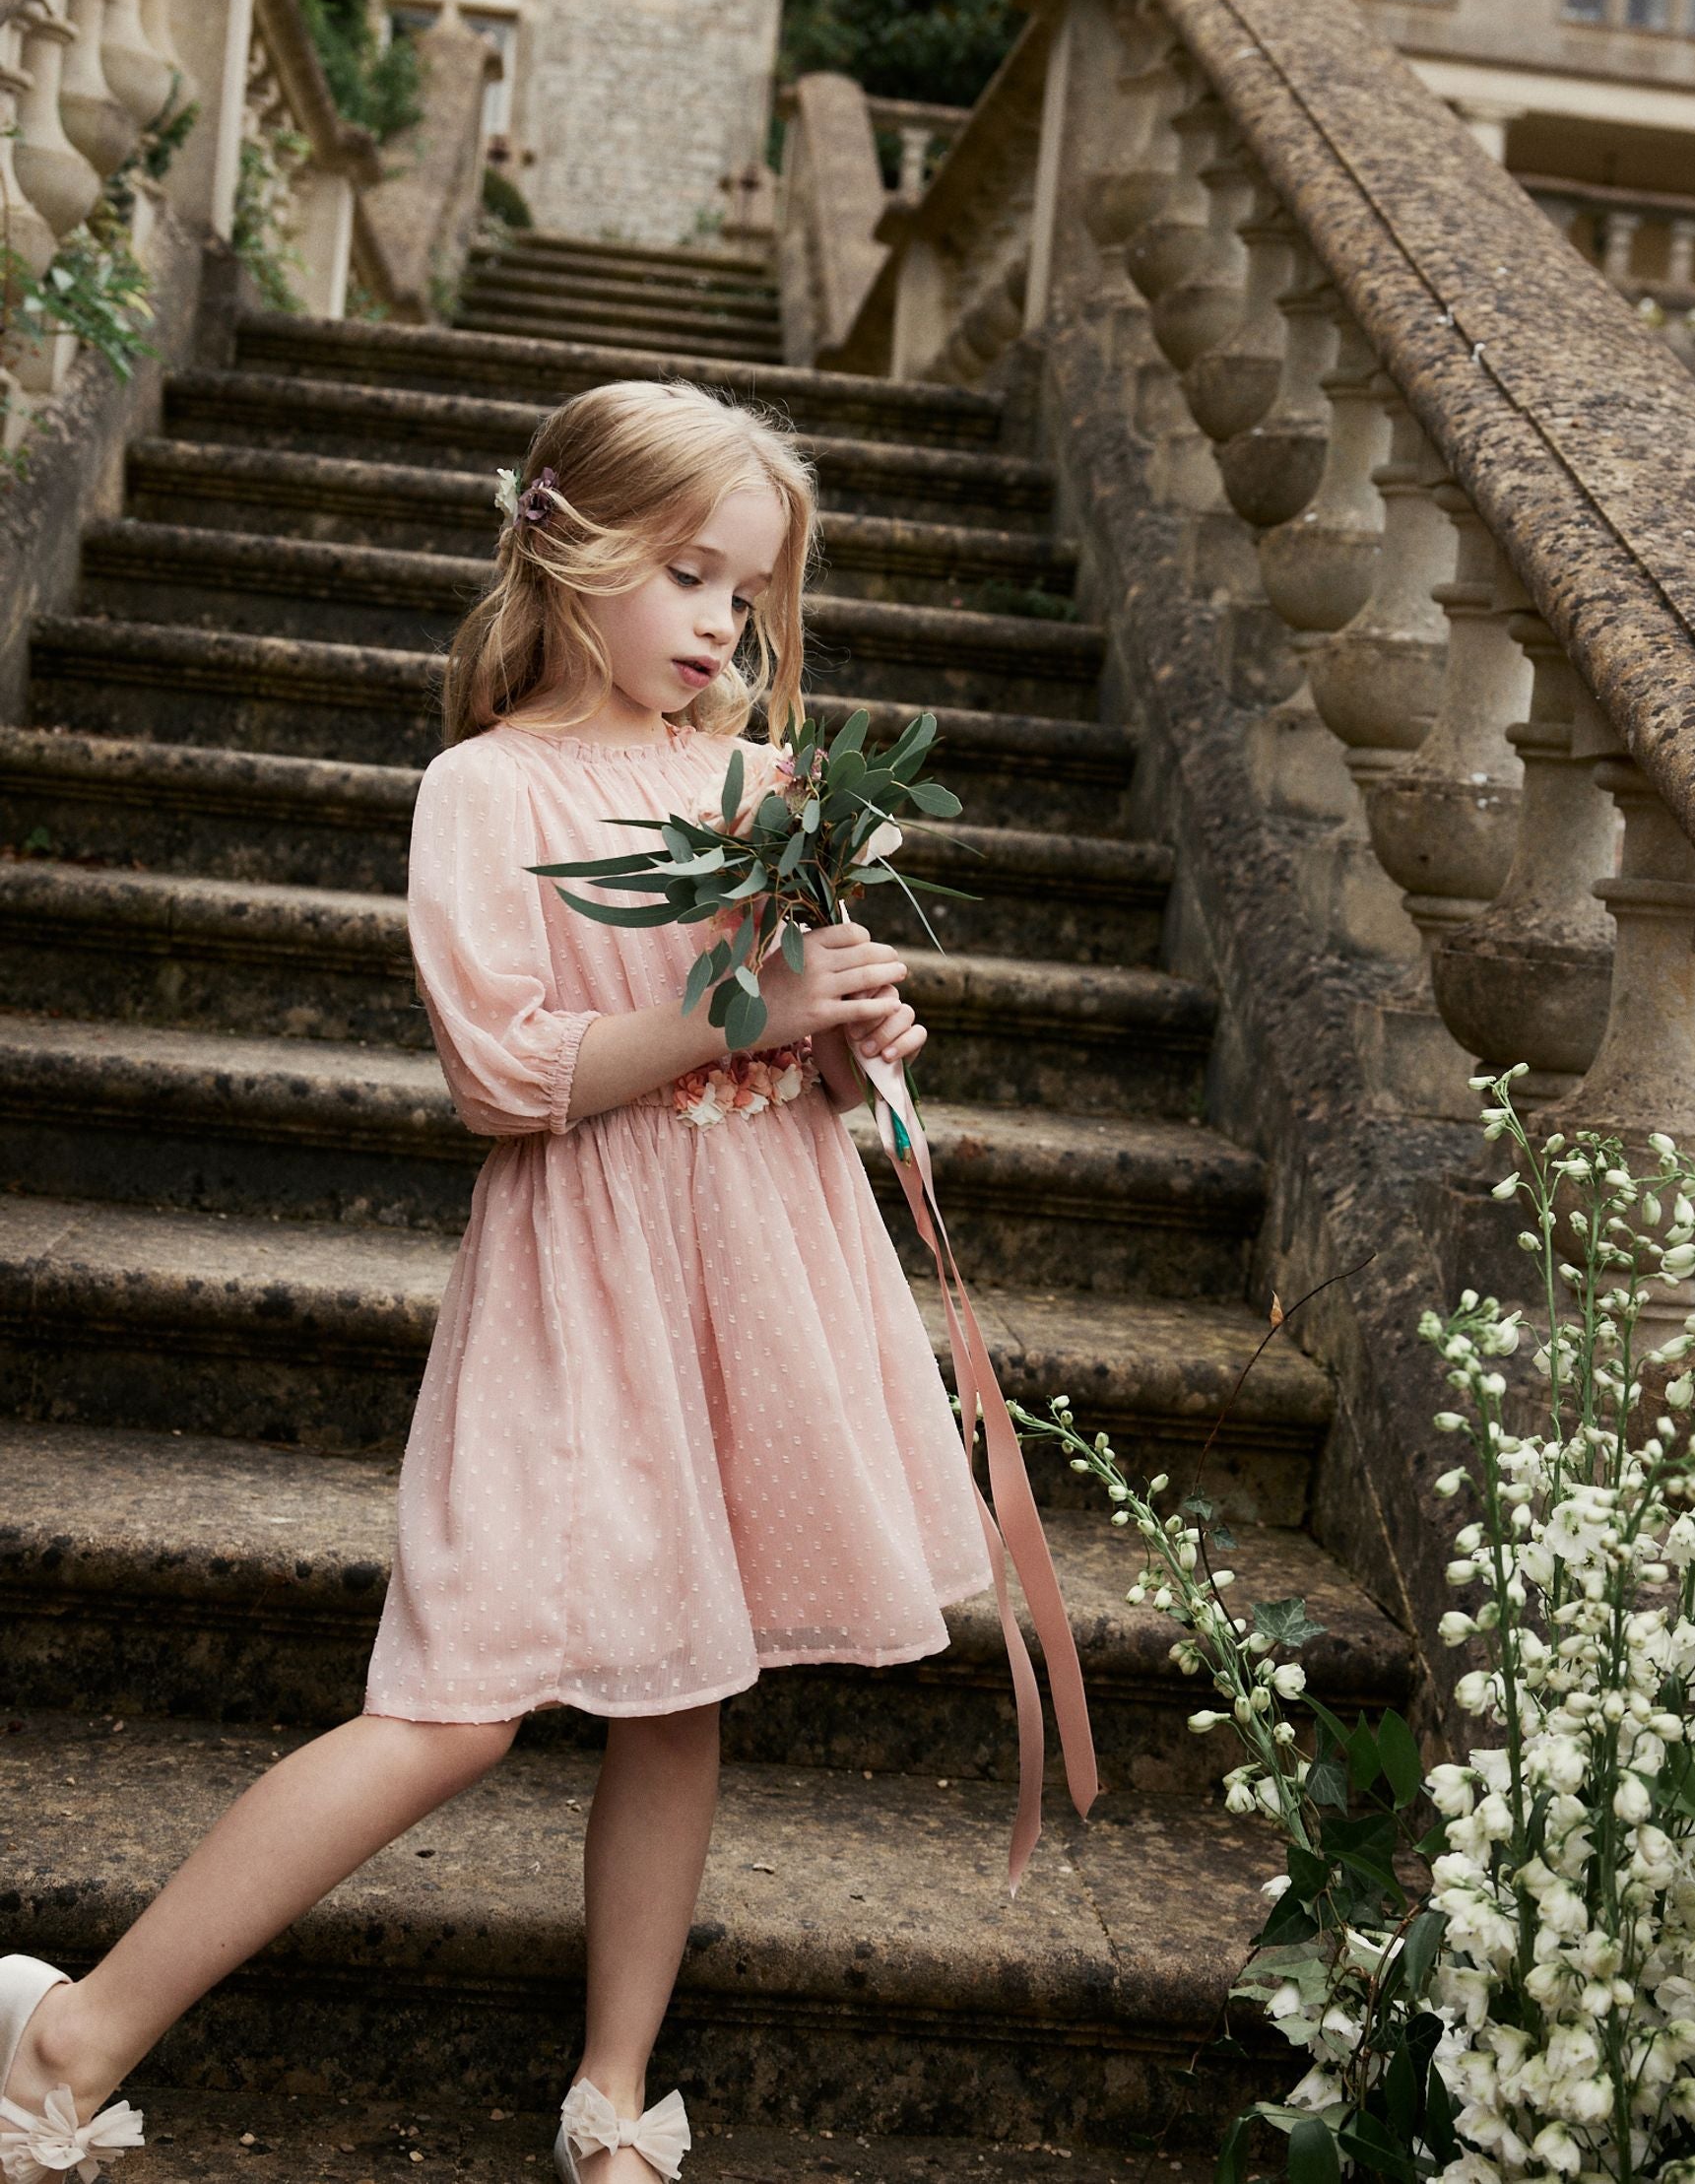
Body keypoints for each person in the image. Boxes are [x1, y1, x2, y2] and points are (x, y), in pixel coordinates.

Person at [0, 379, 991, 2184]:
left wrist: (854, 1040)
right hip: (586, 1277)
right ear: (573, 547)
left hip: (760, 1256)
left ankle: (615, 2093)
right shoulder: (487, 785)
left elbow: (811, 1055)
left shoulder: (766, 784)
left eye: (749, 596)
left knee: (689, 1679)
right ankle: (70, 2033)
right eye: (687, 575)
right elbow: (504, 1073)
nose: (720, 624)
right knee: (457, 1702)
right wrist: (744, 1010)